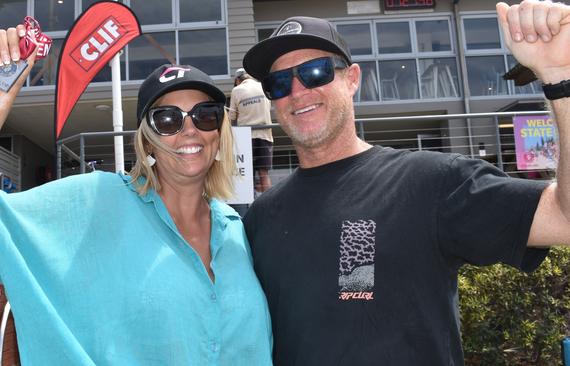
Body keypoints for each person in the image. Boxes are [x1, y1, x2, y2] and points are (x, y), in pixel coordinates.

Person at [0, 24, 272, 365]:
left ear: (220, 132)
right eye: (167, 119)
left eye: (205, 115)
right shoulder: (96, 202)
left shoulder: (236, 230)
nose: (189, 130)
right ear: (147, 139)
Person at [241, 1, 570, 365]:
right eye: (279, 83)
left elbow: (564, 218)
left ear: (352, 79)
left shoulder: (431, 182)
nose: (297, 92)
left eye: (315, 72)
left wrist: (560, 80)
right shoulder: (260, 218)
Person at [229, 68, 274, 195]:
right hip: (265, 134)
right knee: (264, 173)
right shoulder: (262, 86)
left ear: (238, 80)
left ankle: (250, 208)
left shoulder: (237, 90)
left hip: (245, 137)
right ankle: (269, 204)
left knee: (247, 174)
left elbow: (232, 117)